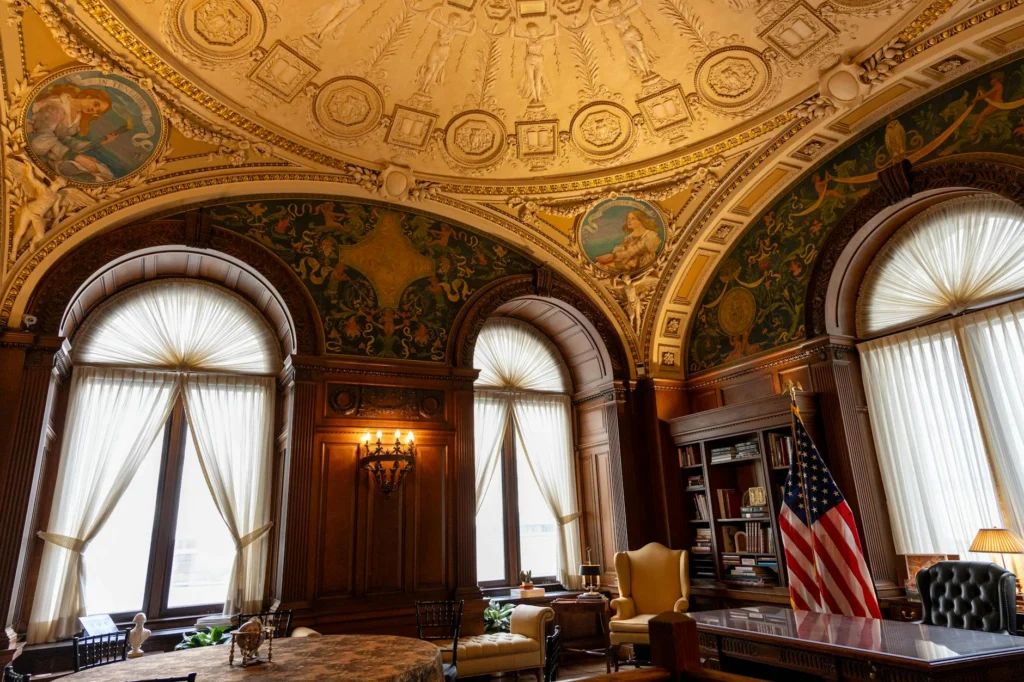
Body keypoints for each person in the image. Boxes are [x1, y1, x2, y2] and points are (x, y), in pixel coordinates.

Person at [27, 84, 116, 182]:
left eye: (97, 111)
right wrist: (77, 157)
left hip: (57, 153)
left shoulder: (77, 118)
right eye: (96, 104)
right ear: (89, 96)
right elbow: (44, 138)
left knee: (104, 172)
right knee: (82, 169)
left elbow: (66, 141)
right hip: (40, 147)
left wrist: (101, 142)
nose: (93, 110)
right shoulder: (56, 106)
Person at [595, 210, 662, 272]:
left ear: (640, 221)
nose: (629, 221)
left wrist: (612, 256)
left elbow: (633, 251)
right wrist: (610, 257)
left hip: (640, 265)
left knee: (601, 266)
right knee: (599, 264)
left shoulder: (651, 236)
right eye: (628, 218)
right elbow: (621, 250)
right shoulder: (629, 237)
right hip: (626, 262)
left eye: (633, 218)